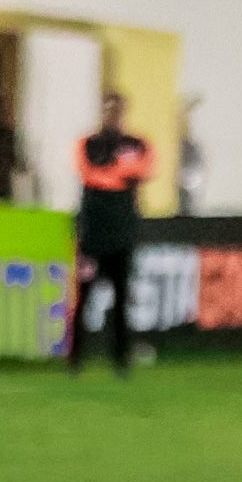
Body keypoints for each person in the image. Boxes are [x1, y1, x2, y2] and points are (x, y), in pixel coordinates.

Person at [66, 91, 152, 374]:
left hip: (122, 235)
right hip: (92, 235)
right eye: (107, 108)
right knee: (83, 299)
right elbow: (87, 171)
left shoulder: (138, 144)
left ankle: (121, 360)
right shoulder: (87, 143)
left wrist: (109, 174)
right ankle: (75, 360)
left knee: (121, 300)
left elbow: (145, 168)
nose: (111, 114)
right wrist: (119, 174)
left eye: (116, 109)